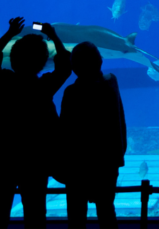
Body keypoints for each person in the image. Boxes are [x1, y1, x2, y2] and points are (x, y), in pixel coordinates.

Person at [0, 18, 71, 229]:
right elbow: (65, 66)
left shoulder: (3, 84)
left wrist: (9, 34)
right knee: (36, 215)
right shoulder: (44, 88)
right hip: (36, 160)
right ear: (44, 62)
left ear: (13, 60)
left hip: (1, 157)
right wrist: (53, 35)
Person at [60, 42, 127, 229]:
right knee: (106, 210)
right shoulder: (111, 82)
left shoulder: (72, 93)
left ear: (73, 67)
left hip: (78, 165)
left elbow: (65, 131)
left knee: (76, 215)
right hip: (108, 161)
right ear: (101, 61)